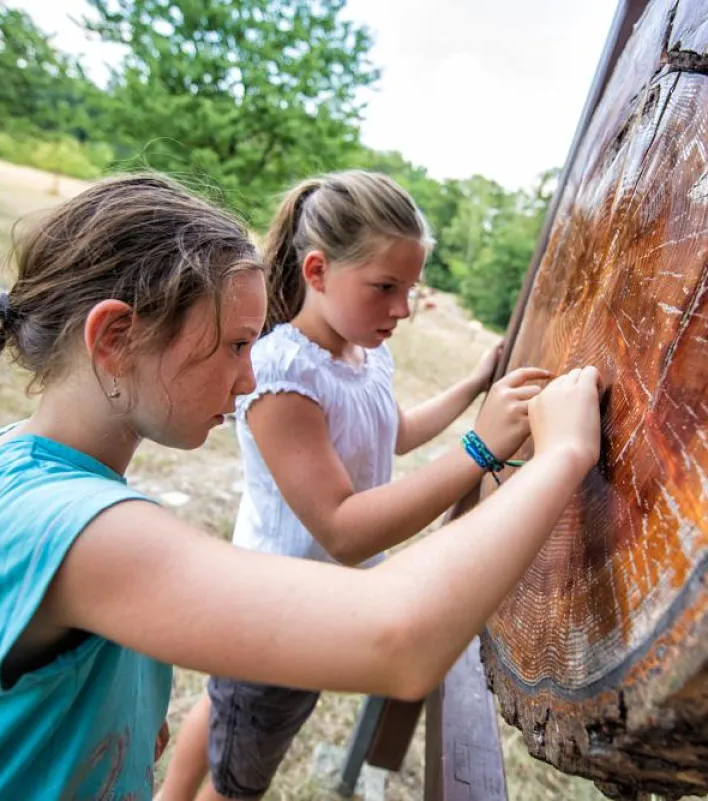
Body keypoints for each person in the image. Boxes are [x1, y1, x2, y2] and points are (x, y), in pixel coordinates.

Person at [0, 172, 601, 800]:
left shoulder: (1, 460)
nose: (248, 379)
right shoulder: (75, 528)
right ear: (115, 338)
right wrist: (561, 455)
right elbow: (399, 641)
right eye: (237, 346)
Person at [160, 170, 552, 801]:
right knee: (246, 758)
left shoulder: (364, 354)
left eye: (410, 289)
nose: (401, 309)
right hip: (277, 604)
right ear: (317, 272)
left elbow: (393, 432)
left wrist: (475, 386)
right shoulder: (283, 372)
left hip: (314, 601)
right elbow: (342, 528)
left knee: (229, 703)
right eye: (384, 288)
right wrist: (481, 447)